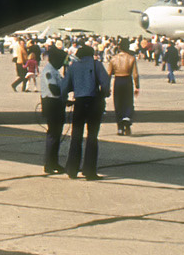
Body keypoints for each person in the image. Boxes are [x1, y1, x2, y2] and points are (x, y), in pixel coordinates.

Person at [62, 43, 108, 180]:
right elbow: (105, 83)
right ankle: (89, 171)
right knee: (92, 136)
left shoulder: (73, 67)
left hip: (79, 103)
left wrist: (64, 100)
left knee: (76, 136)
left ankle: (72, 169)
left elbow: (65, 86)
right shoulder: (96, 65)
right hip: (94, 102)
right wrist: (104, 94)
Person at [38, 46, 68, 175]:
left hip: (57, 104)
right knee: (53, 136)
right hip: (52, 105)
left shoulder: (55, 71)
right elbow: (54, 89)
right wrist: (64, 92)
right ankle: (49, 164)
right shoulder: (49, 71)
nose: (62, 63)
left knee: (56, 135)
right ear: (55, 59)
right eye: (61, 60)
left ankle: (53, 162)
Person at [108, 39, 139, 136]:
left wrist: (107, 86)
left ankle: (119, 128)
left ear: (119, 47)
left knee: (118, 103)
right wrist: (137, 86)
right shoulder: (131, 58)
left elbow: (108, 74)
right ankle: (127, 123)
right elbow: (135, 74)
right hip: (127, 80)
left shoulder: (113, 59)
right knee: (128, 102)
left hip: (118, 80)